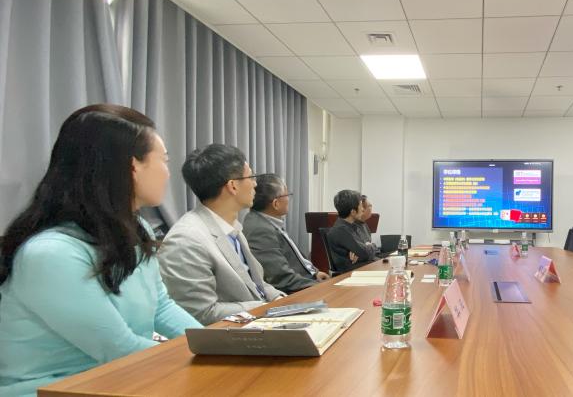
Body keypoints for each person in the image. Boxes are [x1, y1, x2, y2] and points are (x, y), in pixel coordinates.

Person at [0, 104, 201, 396]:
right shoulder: (51, 254)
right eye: (164, 161)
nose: (168, 173)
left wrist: (214, 346)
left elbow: (162, 307)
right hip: (55, 389)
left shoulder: (137, 230)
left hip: (119, 380)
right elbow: (118, 348)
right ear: (133, 167)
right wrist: (202, 362)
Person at [158, 144, 284, 325]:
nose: (255, 184)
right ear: (233, 186)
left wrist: (281, 301)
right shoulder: (186, 240)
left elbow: (257, 286)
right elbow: (202, 313)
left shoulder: (231, 227)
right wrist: (266, 308)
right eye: (251, 177)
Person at [243, 174, 329, 293]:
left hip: (307, 280)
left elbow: (293, 258)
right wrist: (320, 286)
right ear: (276, 204)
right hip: (294, 293)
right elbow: (281, 278)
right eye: (287, 195)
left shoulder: (267, 221)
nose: (289, 199)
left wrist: (315, 273)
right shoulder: (260, 229)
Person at [327, 190, 379, 273]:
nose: (363, 209)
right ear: (353, 212)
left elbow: (365, 250)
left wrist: (366, 248)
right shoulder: (341, 230)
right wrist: (371, 246)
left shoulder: (352, 226)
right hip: (351, 274)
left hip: (362, 267)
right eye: (361, 206)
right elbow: (365, 253)